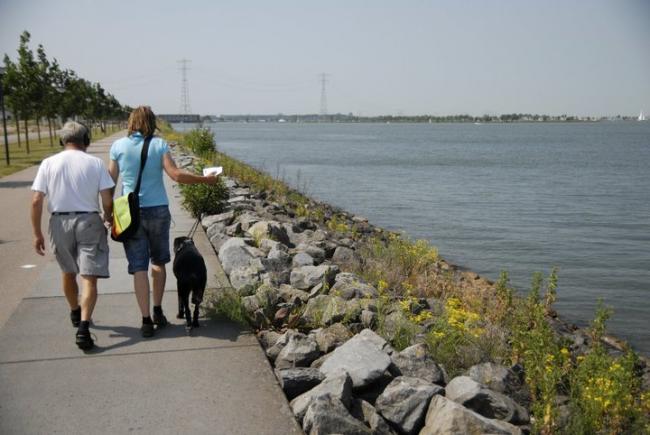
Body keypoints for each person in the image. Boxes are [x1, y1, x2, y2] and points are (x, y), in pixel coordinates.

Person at [108, 106, 219, 337]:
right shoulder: (159, 145)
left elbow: (109, 182)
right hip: (157, 210)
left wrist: (108, 212)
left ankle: (146, 320)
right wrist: (205, 180)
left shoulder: (118, 146)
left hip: (129, 214)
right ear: (151, 122)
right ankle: (158, 310)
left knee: (138, 267)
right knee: (158, 262)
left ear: (131, 123)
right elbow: (176, 175)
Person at [31, 121, 114, 351]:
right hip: (89, 220)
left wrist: (37, 233)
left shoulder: (48, 163)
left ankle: (75, 311)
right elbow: (107, 199)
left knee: (68, 272)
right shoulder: (95, 163)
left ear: (62, 140)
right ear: (86, 140)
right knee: (89, 277)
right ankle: (84, 328)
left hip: (59, 221)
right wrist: (108, 217)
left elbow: (37, 200)